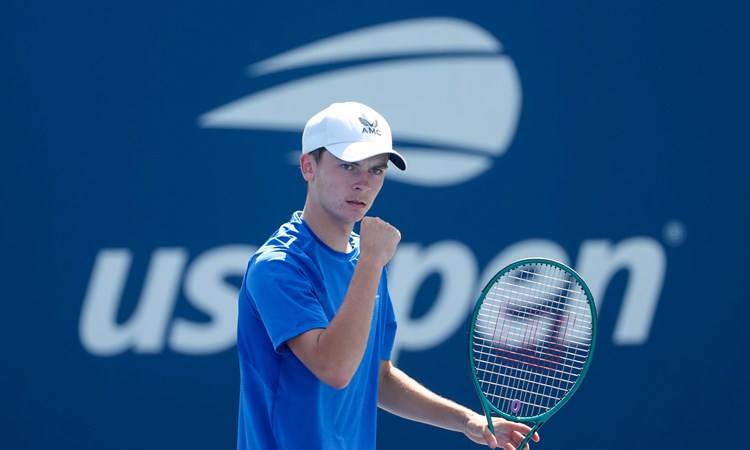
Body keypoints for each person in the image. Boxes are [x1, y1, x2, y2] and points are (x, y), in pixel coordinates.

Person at [236, 101, 540, 450]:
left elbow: (376, 378)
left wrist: (467, 421)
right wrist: (370, 263)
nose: (363, 183)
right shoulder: (277, 266)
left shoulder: (365, 259)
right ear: (308, 166)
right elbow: (335, 369)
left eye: (376, 170)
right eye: (349, 166)